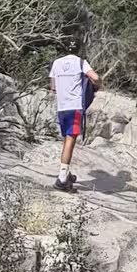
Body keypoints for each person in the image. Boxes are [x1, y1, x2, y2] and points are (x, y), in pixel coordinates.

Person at [48, 50, 99, 191]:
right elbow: (95, 77)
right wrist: (97, 86)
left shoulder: (56, 63)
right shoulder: (81, 62)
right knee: (71, 140)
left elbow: (52, 86)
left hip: (61, 107)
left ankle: (65, 172)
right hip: (75, 106)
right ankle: (62, 179)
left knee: (66, 139)